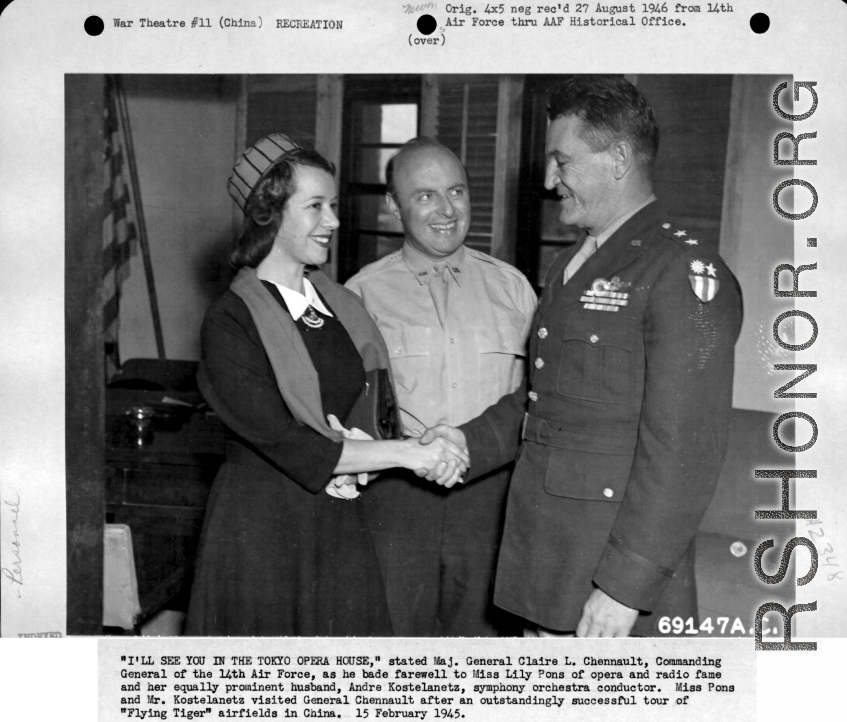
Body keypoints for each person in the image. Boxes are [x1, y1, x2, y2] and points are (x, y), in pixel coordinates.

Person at [424, 76, 744, 637]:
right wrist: (467, 441)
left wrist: (624, 587)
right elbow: (546, 404)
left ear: (618, 158)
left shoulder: (682, 274)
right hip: (546, 565)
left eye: (562, 161)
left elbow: (684, 452)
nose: (550, 181)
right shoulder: (572, 266)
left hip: (609, 582)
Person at [185, 134, 468, 637]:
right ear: (269, 213)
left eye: (333, 205)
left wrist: (383, 451)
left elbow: (367, 416)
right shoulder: (229, 323)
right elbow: (292, 444)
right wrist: (407, 456)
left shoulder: (341, 305)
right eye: (315, 206)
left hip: (339, 522)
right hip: (265, 532)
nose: (333, 221)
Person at [345, 138, 537, 636]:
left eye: (456, 191)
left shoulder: (514, 289)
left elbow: (536, 400)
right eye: (426, 195)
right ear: (393, 206)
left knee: (487, 657)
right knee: (391, 649)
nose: (446, 210)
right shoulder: (359, 295)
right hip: (396, 506)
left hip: (491, 507)